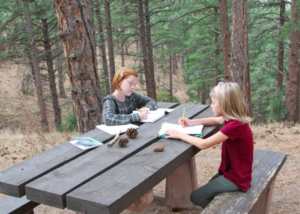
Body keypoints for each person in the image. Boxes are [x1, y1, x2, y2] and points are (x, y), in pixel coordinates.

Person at [164, 82, 253, 208]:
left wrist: (179, 134)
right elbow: (216, 120)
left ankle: (223, 210)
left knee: (195, 197)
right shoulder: (233, 119)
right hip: (231, 172)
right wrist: (192, 122)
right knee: (208, 193)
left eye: (213, 102)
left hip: (237, 179)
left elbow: (203, 144)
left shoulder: (235, 126)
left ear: (224, 104)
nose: (211, 105)